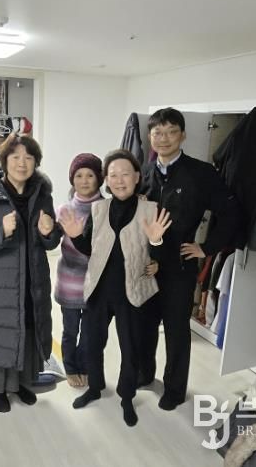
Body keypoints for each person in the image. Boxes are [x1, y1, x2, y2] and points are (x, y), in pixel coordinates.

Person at [58, 149, 171, 427]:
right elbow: (91, 248)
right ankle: (95, 388)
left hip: (131, 292)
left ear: (137, 177)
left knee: (130, 349)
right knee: (92, 345)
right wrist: (76, 237)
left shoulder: (151, 209)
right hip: (99, 290)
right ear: (106, 180)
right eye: (113, 175)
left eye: (125, 174)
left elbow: (162, 253)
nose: (119, 180)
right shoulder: (99, 209)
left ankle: (126, 397)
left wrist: (157, 245)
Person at [139, 107, 240, 410]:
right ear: (150, 137)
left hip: (179, 265)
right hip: (146, 264)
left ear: (183, 135)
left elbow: (232, 212)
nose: (164, 138)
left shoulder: (201, 173)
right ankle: (144, 374)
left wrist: (207, 247)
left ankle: (174, 390)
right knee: (145, 325)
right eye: (158, 132)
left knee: (176, 330)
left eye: (171, 132)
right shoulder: (144, 173)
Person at [0, 133, 61, 413]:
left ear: (36, 163)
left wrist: (49, 232)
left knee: (28, 329)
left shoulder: (42, 195)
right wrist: (2, 233)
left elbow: (51, 241)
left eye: (29, 157)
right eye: (15, 156)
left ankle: (21, 384)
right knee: (1, 333)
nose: (22, 163)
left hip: (33, 280)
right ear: (4, 161)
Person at [54, 153, 104, 388]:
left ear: (99, 178)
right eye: (79, 175)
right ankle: (70, 368)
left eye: (90, 175)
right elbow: (50, 240)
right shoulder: (64, 209)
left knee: (90, 332)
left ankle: (84, 366)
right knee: (70, 330)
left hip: (97, 284)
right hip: (70, 283)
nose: (84, 181)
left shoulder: (107, 208)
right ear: (72, 179)